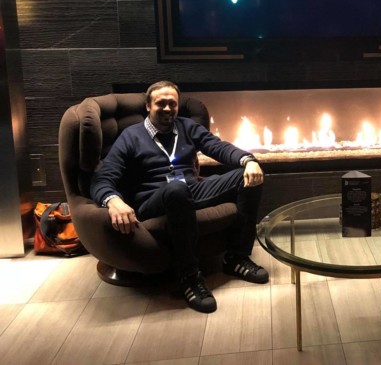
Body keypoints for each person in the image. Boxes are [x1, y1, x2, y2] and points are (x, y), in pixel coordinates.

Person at [90, 80, 268, 313]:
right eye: (160, 103)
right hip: (152, 199)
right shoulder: (130, 136)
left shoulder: (187, 127)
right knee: (176, 190)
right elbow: (103, 178)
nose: (167, 108)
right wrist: (113, 200)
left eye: (172, 104)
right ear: (148, 106)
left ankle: (237, 257)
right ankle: (189, 276)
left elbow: (218, 147)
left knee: (246, 177)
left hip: (189, 190)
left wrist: (249, 160)